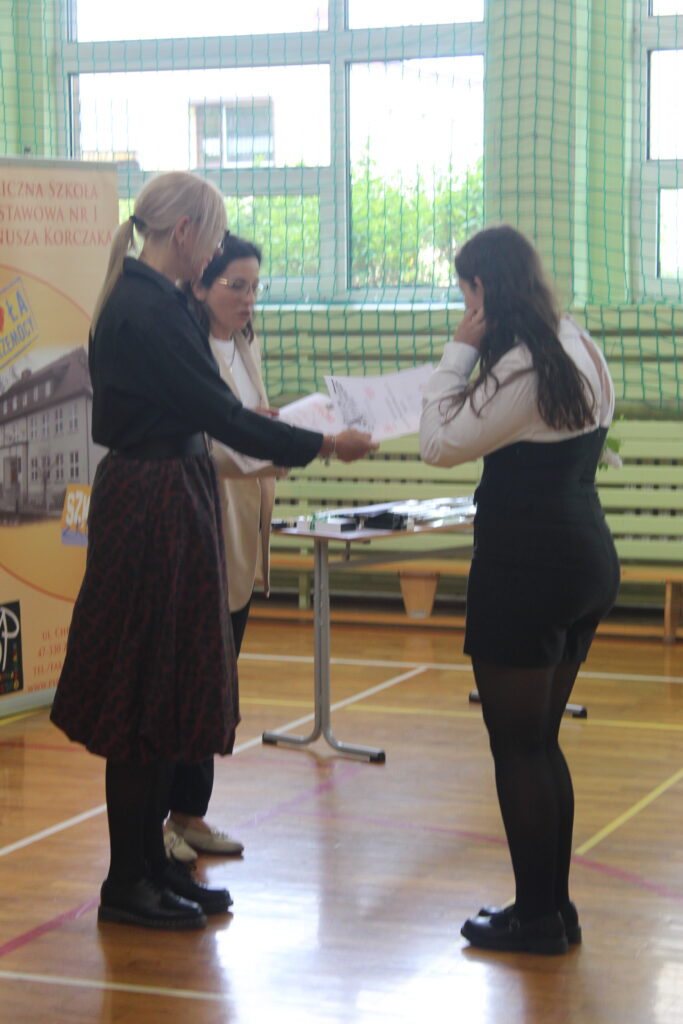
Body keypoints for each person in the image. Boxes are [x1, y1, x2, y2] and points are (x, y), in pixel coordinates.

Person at [50, 171, 376, 931]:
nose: (219, 249)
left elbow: (214, 413)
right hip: (153, 503)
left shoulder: (156, 301)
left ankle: (151, 864)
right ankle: (126, 882)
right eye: (217, 234)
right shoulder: (146, 307)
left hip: (169, 493)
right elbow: (222, 414)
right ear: (185, 233)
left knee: (163, 691)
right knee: (143, 695)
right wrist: (325, 444)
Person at [419, 224, 620, 956]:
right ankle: (550, 908)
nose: (464, 308)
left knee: (518, 748)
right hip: (583, 556)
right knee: (539, 742)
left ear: (483, 290)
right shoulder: (575, 341)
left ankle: (536, 918)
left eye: (465, 295)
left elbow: (437, 443)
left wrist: (458, 350)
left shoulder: (521, 365)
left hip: (526, 567)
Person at [163, 233, 276, 863]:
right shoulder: (185, 347)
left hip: (242, 531)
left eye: (255, 286)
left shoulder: (245, 343)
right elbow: (204, 443)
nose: (248, 298)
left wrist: (277, 429)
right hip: (200, 523)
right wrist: (271, 448)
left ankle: (190, 813)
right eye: (236, 285)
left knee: (216, 681)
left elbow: (250, 421)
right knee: (181, 677)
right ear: (201, 285)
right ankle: (154, 822)